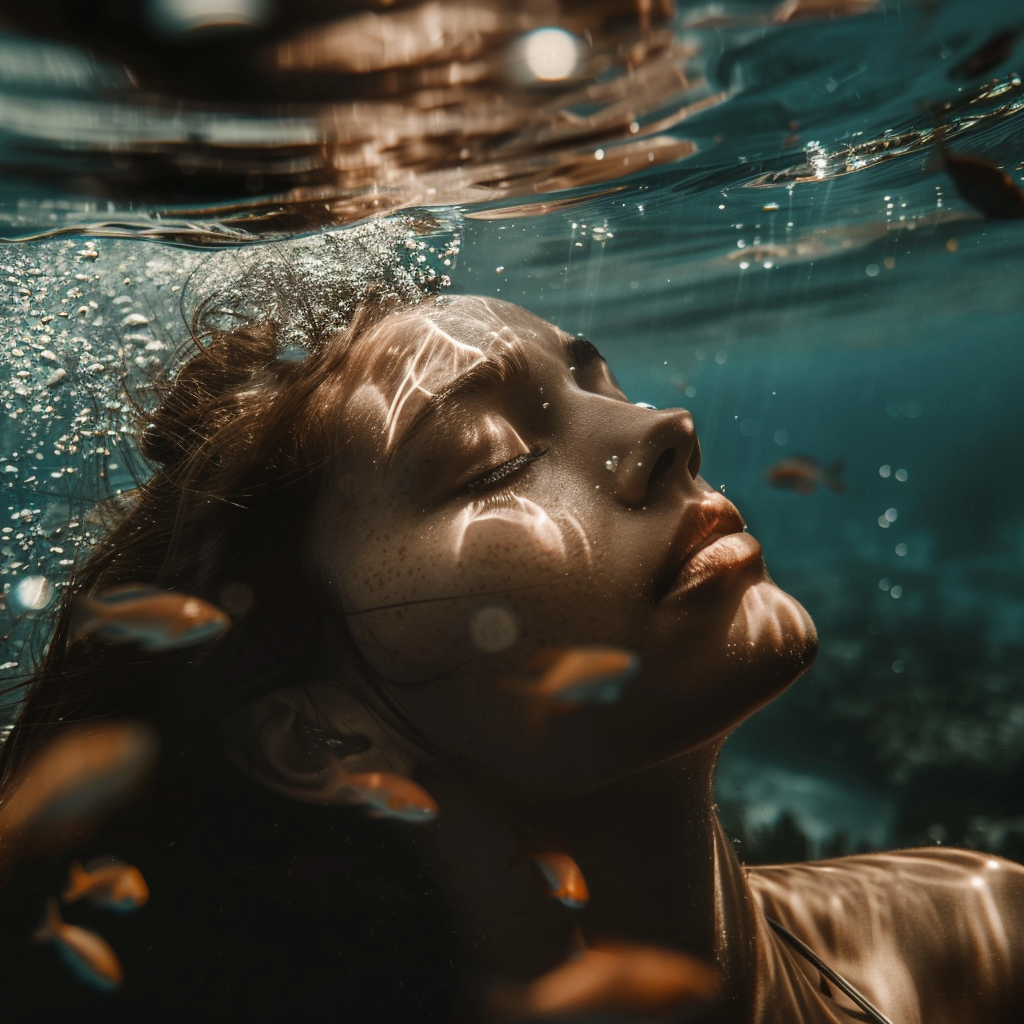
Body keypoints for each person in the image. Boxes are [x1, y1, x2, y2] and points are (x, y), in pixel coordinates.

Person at [1, 288, 1023, 1023]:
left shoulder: (990, 936)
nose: (667, 427)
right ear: (320, 734)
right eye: (495, 456)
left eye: (604, 385)